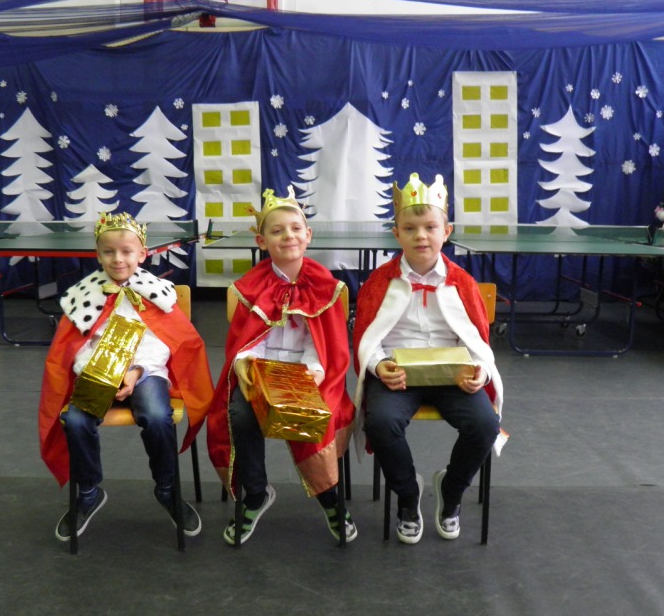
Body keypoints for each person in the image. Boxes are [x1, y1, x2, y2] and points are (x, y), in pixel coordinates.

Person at [39, 211, 214, 542]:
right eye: (109, 252)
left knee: (157, 415)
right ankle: (88, 491)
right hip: (98, 372)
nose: (117, 259)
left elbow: (166, 342)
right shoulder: (83, 295)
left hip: (146, 372)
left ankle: (167, 488)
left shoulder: (157, 292)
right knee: (75, 421)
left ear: (142, 254)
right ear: (98, 255)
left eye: (126, 251)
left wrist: (136, 371)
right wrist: (100, 373)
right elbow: (75, 347)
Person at [353, 173, 505, 544]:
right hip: (398, 374)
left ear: (446, 231)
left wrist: (480, 372)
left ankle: (451, 491)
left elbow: (477, 340)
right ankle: (408, 495)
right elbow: (366, 338)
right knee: (381, 422)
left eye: (430, 227)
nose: (421, 236)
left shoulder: (462, 283)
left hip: (452, 376)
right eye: (410, 228)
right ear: (397, 234)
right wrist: (378, 366)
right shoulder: (379, 283)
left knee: (484, 424)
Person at [206, 187, 356, 545]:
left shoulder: (328, 287)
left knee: (308, 415)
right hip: (261, 370)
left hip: (310, 373)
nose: (288, 236)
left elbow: (325, 343)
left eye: (295, 228)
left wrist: (311, 372)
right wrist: (246, 363)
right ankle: (256, 493)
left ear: (308, 235)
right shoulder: (248, 288)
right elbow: (246, 339)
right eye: (277, 231)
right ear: (261, 241)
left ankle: (329, 497)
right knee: (240, 414)